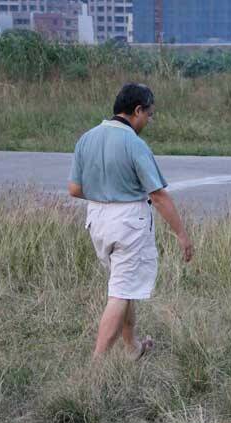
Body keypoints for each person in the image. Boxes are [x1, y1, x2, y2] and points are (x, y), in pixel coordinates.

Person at [68, 83, 193, 364]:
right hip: (128, 223)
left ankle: (132, 346)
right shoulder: (134, 144)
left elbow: (74, 189)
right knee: (120, 293)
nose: (149, 120)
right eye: (149, 114)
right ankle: (96, 365)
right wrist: (182, 234)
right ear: (137, 110)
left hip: (97, 220)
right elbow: (158, 196)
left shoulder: (86, 138)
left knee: (124, 287)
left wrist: (105, 193)